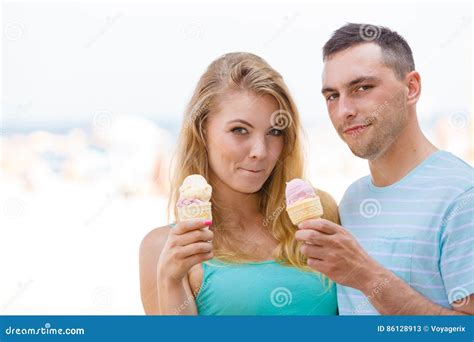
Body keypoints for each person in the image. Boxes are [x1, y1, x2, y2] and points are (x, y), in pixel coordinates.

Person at [140, 52, 339, 315]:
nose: (260, 151)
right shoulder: (164, 247)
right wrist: (170, 280)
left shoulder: (321, 213)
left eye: (274, 132)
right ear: (202, 132)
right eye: (240, 130)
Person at [296, 23, 473, 315]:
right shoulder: (353, 199)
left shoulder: (463, 198)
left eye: (362, 88)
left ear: (411, 88)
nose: (344, 111)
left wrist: (366, 276)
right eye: (332, 96)